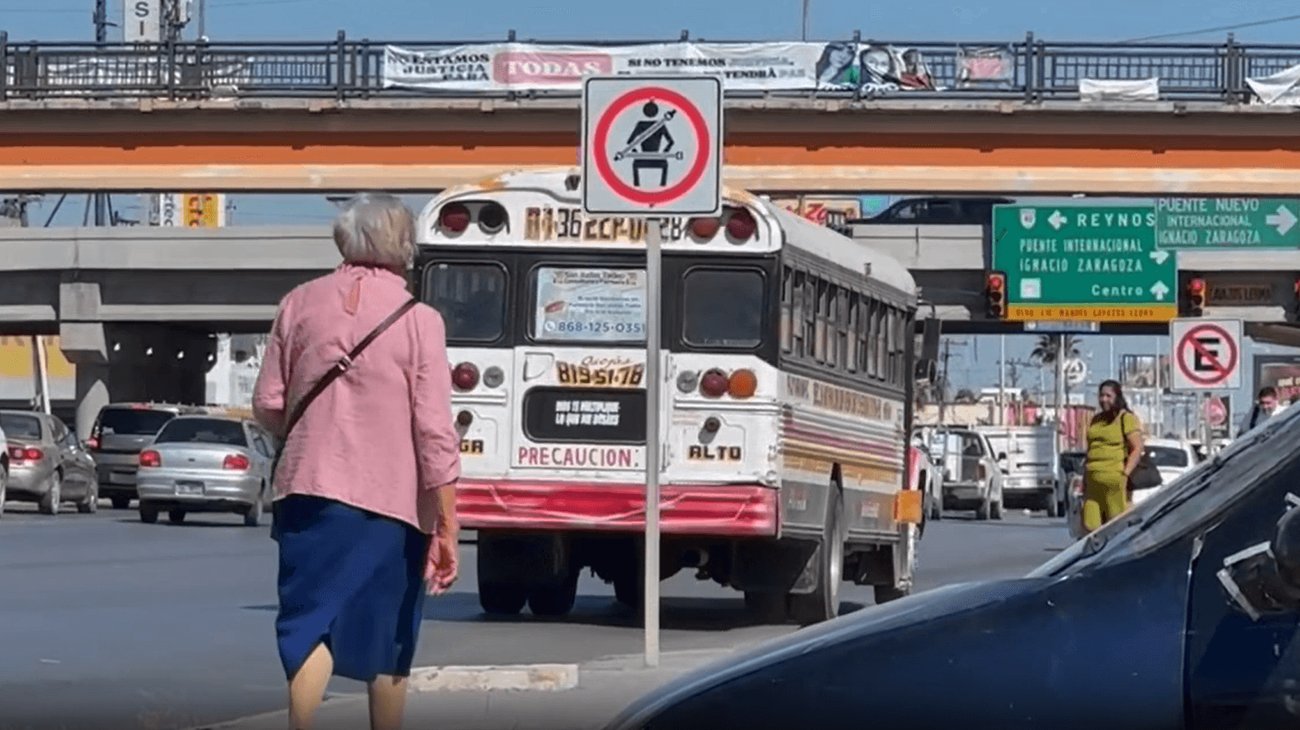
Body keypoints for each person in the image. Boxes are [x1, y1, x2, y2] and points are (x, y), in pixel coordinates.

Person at [252, 193, 462, 730]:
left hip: (308, 489)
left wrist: (313, 437)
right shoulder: (421, 321)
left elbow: (269, 403)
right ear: (404, 245)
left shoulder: (298, 303)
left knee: (307, 623)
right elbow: (434, 430)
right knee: (388, 632)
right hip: (392, 503)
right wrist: (447, 526)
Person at [1083, 380, 1144, 533]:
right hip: (1092, 482)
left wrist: (1125, 474)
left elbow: (1137, 448)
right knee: (1090, 525)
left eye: (1108, 396)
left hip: (1114, 479)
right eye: (1101, 396)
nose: (1104, 399)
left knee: (1115, 525)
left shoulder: (1126, 418)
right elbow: (1090, 449)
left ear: (1117, 397)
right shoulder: (1096, 420)